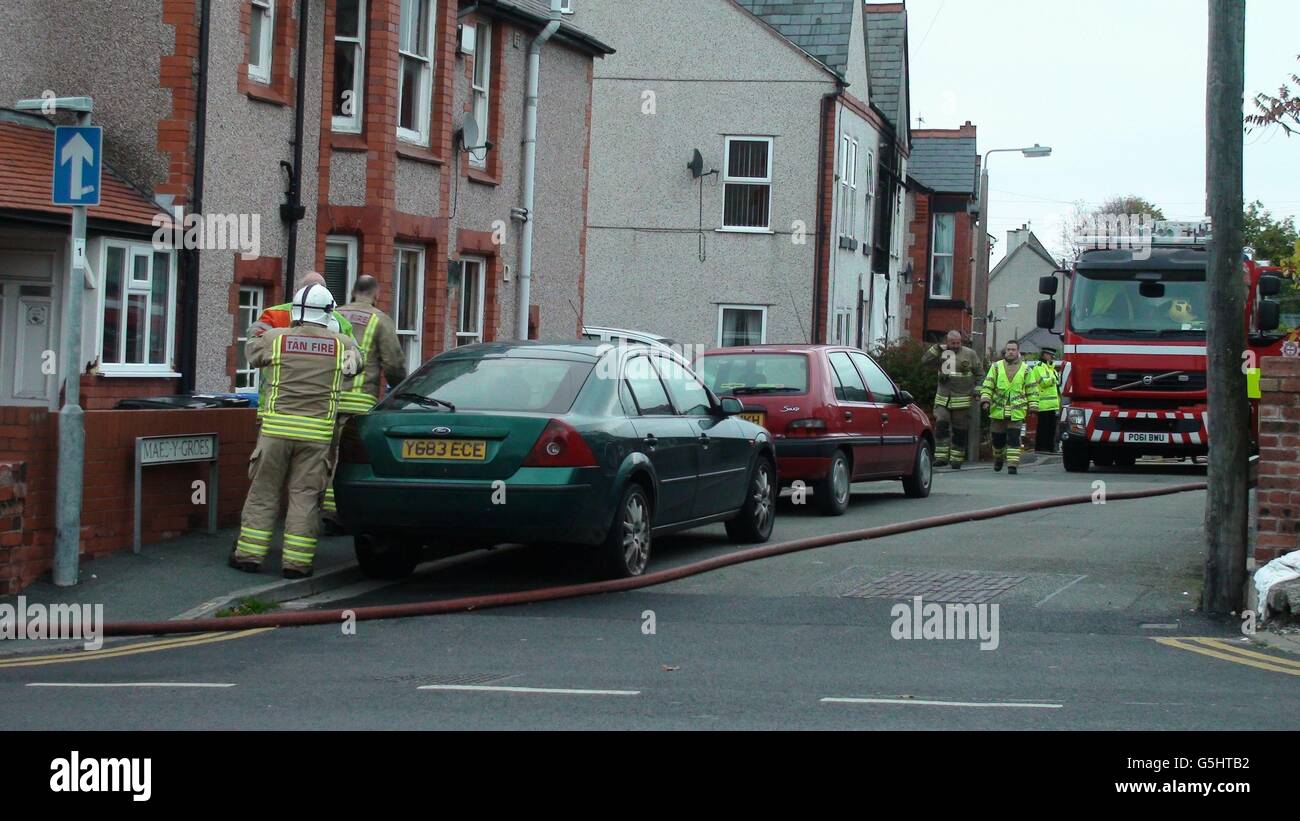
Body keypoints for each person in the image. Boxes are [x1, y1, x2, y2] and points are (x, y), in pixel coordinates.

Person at [230, 284, 360, 579]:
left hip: (275, 432)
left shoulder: (276, 339)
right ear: (329, 313)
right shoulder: (343, 344)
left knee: (264, 492)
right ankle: (296, 564)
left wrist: (259, 327)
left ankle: (249, 556)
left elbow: (252, 351)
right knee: (305, 496)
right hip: (316, 436)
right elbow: (356, 369)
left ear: (297, 311)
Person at [323, 275, 409, 521]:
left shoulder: (334, 316)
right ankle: (337, 509)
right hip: (359, 405)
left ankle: (319, 508)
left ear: (352, 292)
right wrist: (402, 391)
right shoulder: (380, 320)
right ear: (376, 294)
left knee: (323, 456)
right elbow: (393, 364)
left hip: (328, 400)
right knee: (349, 459)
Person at [247, 272, 356, 420]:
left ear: (298, 293)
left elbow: (253, 347)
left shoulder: (274, 315)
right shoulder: (340, 322)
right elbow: (354, 364)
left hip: (274, 408)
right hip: (320, 413)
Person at [921, 330, 982, 469]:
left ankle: (956, 460)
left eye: (958, 343)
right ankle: (941, 458)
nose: (955, 345)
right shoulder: (941, 352)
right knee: (941, 427)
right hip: (943, 399)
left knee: (959, 431)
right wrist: (936, 348)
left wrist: (977, 391)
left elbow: (980, 374)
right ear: (947, 342)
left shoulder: (970, 354)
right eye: (953, 343)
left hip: (961, 400)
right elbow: (924, 361)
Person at [980, 341, 1040, 476]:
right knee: (997, 439)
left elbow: (1032, 389)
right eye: (1008, 349)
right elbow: (988, 385)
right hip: (997, 411)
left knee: (1014, 438)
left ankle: (1012, 465)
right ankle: (999, 458)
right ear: (1005, 351)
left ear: (1018, 351)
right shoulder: (996, 367)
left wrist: (1034, 407)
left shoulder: (1026, 369)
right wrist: (985, 401)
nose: (1011, 352)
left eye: (1013, 349)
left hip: (1016, 411)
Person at [1033, 347, 1061, 453]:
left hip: (1052, 404)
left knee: (1051, 428)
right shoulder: (1039, 367)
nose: (1052, 357)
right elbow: (1044, 382)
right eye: (1050, 355)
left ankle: (1049, 447)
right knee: (1043, 427)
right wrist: (1055, 378)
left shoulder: (1051, 368)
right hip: (1043, 404)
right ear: (1044, 355)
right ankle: (1040, 447)